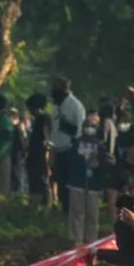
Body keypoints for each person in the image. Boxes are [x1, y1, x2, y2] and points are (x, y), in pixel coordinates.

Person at [66, 109, 112, 244]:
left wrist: (99, 160)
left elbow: (105, 164)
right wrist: (84, 160)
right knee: (77, 213)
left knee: (92, 214)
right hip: (77, 182)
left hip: (94, 184)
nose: (89, 129)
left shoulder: (100, 145)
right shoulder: (75, 143)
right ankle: (77, 242)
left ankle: (91, 242)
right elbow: (70, 160)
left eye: (92, 127)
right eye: (87, 126)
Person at [50, 76, 86, 213]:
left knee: (69, 183)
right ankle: (63, 209)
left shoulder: (75, 105)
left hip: (70, 149)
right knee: (59, 181)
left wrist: (65, 125)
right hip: (57, 149)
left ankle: (70, 210)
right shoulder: (56, 106)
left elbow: (78, 130)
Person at [25, 94, 52, 207]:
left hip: (40, 155)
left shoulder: (44, 118)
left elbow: (46, 137)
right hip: (33, 155)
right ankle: (34, 204)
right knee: (34, 181)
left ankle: (45, 205)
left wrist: (47, 154)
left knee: (42, 182)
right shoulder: (37, 119)